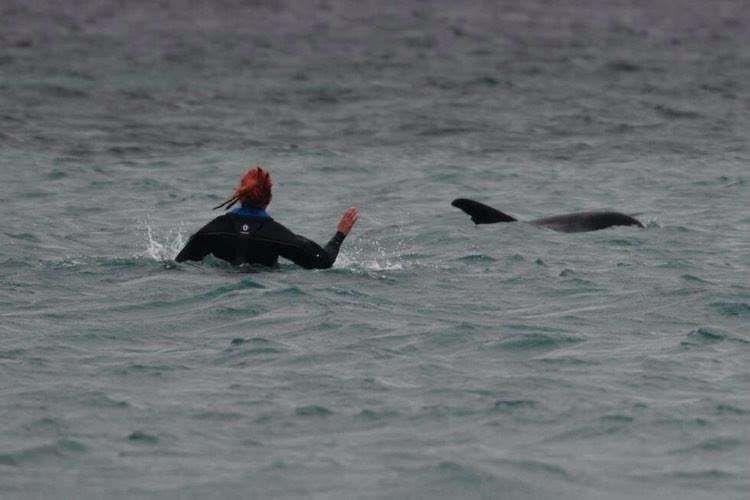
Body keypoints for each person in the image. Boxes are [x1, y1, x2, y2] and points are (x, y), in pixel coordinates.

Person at [175, 166, 359, 269]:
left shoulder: (212, 231)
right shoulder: (280, 236)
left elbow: (179, 264)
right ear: (269, 198)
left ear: (239, 194)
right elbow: (323, 262)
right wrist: (340, 234)